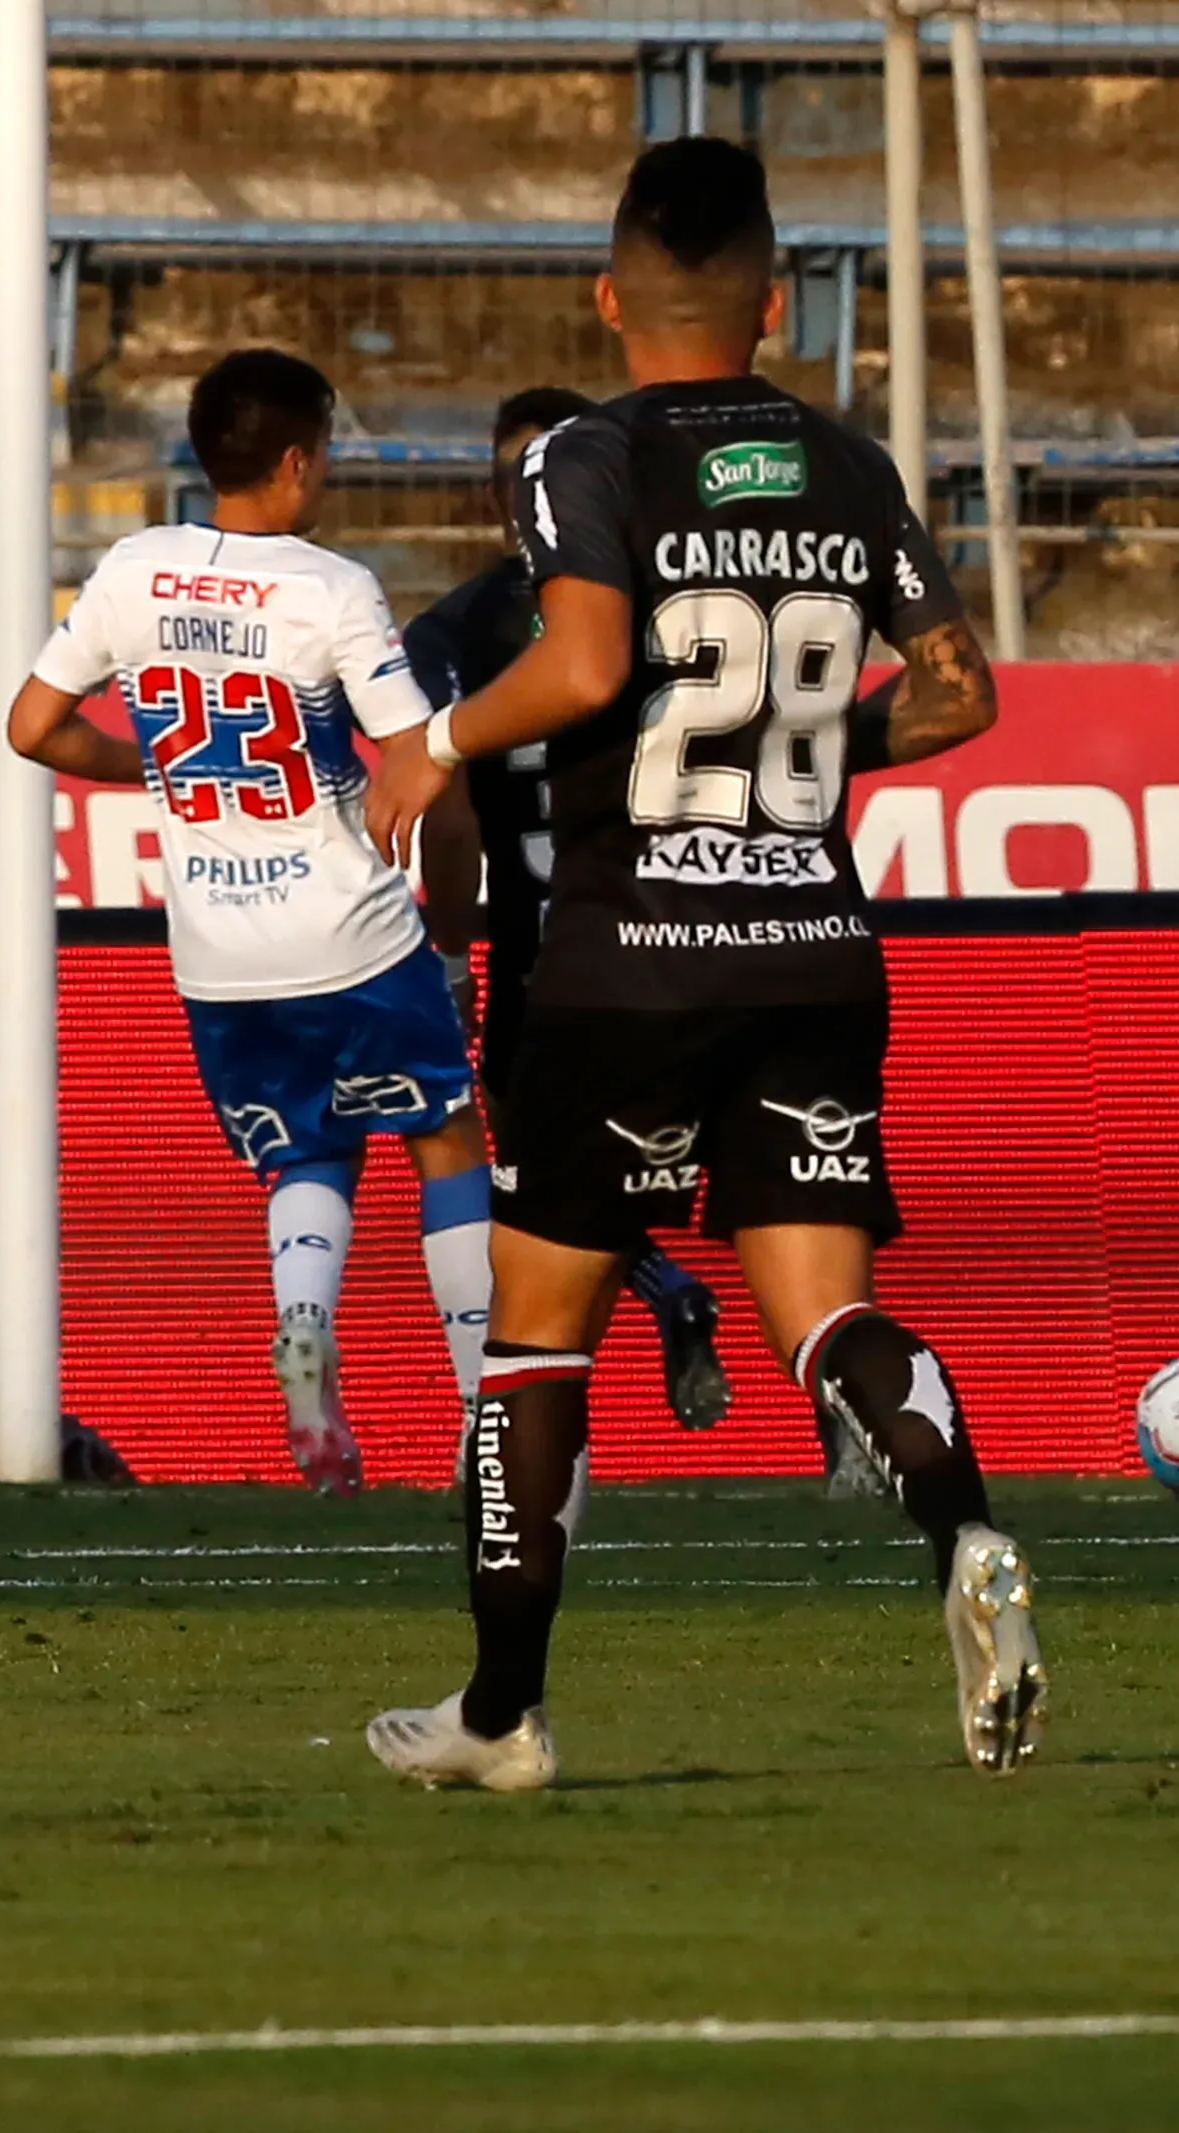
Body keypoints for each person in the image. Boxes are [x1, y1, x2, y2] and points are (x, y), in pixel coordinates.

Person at [357, 137, 1040, 1789]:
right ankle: (963, 1532)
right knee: (826, 1312)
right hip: (812, 947)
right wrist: (797, 760)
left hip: (627, 963)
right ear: (778, 299)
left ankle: (501, 1717)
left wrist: (432, 742)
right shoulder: (849, 462)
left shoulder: (586, 456)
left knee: (537, 1334)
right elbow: (961, 693)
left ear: (609, 297)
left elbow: (586, 659)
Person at [3, 348, 492, 1494]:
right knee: (445, 1144)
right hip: (349, 933)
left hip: (217, 954)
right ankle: (485, 1415)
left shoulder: (133, 570)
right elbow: (418, 758)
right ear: (294, 460)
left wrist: (160, 770)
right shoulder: (331, 589)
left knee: (308, 1147)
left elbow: (33, 726)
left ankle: (305, 1325)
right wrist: (430, 858)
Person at [406, 387, 734, 1443]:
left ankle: (520, 1445)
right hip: (690, 938)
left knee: (536, 1196)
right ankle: (841, 1394)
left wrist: (448, 948)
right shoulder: (678, 603)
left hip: (551, 962)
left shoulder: (458, 628)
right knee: (767, 1191)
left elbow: (446, 802)